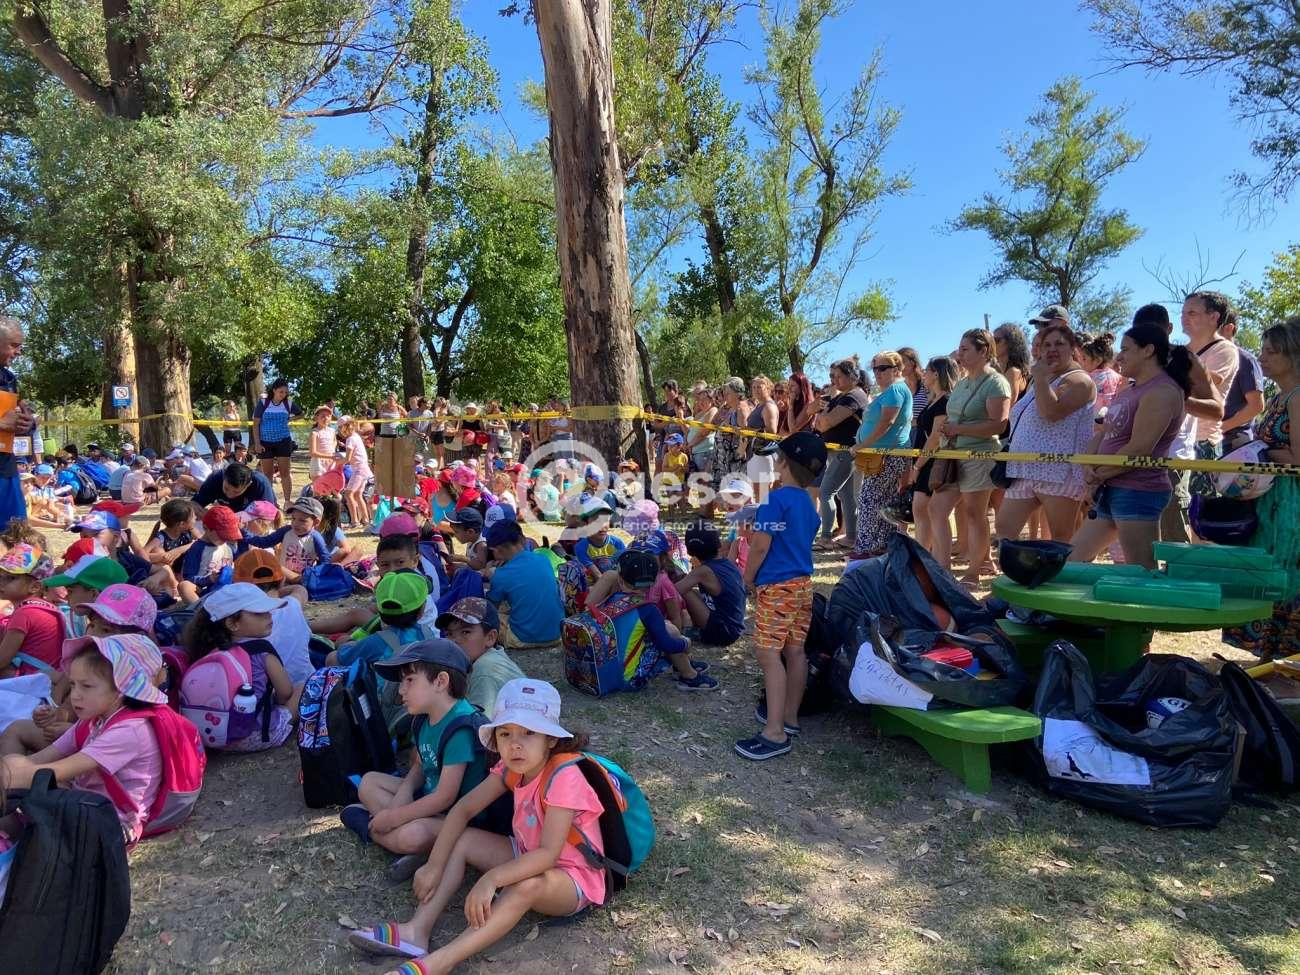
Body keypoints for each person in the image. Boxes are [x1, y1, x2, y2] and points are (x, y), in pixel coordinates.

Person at [348, 679, 610, 973]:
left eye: (529, 732)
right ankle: (416, 931)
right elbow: (463, 810)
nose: (515, 744)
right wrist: (434, 864)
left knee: (527, 885)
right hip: (527, 852)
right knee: (464, 840)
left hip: (571, 876)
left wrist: (492, 879)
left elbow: (549, 855)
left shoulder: (564, 776)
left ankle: (439, 962)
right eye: (505, 733)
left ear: (551, 739)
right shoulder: (512, 768)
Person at [1, 635, 169, 845]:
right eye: (73, 685)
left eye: (86, 686)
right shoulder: (94, 721)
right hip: (88, 802)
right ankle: (13, 836)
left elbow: (52, 772)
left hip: (113, 823)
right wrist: (10, 769)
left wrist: (10, 774)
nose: (75, 695)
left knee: (20, 787)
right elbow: (41, 758)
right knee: (14, 778)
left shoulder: (130, 731)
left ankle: (14, 840)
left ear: (121, 689)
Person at [342, 640, 489, 861]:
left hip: (459, 818)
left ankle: (370, 827)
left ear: (440, 681)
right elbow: (421, 765)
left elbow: (445, 797)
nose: (401, 690)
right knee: (369, 782)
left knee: (412, 836)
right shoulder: (423, 718)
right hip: (430, 800)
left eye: (409, 680)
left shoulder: (461, 728)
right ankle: (408, 842)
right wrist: (405, 791)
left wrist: (394, 817)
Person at [1068, 323, 1191, 569]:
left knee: (1141, 571)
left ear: (1148, 351)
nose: (1119, 357)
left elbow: (1140, 448)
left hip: (1138, 491)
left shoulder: (1162, 391)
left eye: (1125, 349)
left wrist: (1098, 475)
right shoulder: (1130, 389)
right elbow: (1104, 434)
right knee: (1071, 560)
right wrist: (1088, 469)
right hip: (1111, 489)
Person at [736, 431, 825, 762]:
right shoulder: (810, 506)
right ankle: (789, 717)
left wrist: (747, 577)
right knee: (795, 651)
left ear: (784, 463)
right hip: (803, 586)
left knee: (768, 654)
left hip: (777, 587)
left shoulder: (774, 501)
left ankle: (774, 733)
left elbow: (761, 545)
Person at [1223, 317, 1300, 656]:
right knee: (1265, 569)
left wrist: (1261, 449)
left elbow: (1297, 458)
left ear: (1293, 356)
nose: (1262, 357)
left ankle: (1286, 656)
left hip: (1290, 503)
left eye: (1272, 352)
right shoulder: (1279, 398)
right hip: (1270, 502)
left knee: (1285, 571)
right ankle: (1269, 653)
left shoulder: (1297, 398)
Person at [994, 324, 1097, 542]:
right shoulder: (1043, 380)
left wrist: (1040, 378)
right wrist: (1041, 379)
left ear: (1073, 348)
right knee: (1004, 529)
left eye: (1059, 344)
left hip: (1059, 471)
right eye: (1046, 345)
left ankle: (1066, 567)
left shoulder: (1080, 381)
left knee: (1060, 538)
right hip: (1024, 468)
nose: (1052, 349)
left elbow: (1051, 412)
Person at [927, 328, 1012, 586]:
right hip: (953, 455)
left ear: (983, 351)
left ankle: (974, 571)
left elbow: (999, 425)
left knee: (975, 513)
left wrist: (959, 429)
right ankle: (942, 569)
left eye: (965, 349)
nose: (960, 354)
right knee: (936, 508)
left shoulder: (996, 382)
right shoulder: (962, 383)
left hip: (980, 455)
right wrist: (949, 429)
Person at [181, 583, 297, 750]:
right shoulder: (261, 650)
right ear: (232, 623)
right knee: (302, 688)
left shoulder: (208, 651)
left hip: (216, 738)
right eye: (259, 613)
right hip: (259, 735)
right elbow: (285, 693)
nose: (269, 615)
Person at [850, 351, 913, 558]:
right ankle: (880, 546)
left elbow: (887, 422)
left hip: (888, 456)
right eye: (875, 368)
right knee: (881, 501)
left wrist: (862, 445)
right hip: (883, 455)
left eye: (883, 368)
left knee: (869, 500)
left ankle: (867, 548)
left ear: (896, 369)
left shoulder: (896, 389)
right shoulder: (890, 391)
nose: (877, 372)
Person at [230, 549, 313, 684]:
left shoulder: (241, 621)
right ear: (282, 580)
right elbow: (300, 589)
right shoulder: (292, 604)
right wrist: (278, 593)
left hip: (272, 691)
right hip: (308, 682)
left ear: (236, 586)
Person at [1181, 291, 1236, 492]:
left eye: (1192, 313)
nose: (1184, 318)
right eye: (1183, 313)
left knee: (1198, 505)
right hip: (1178, 440)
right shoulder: (1181, 351)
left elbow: (1208, 382)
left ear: (1214, 317)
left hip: (1203, 442)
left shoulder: (1225, 349)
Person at [814, 359, 869, 550]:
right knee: (846, 495)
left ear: (852, 377)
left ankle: (826, 538)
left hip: (846, 452)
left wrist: (823, 413)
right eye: (832, 376)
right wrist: (823, 414)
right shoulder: (842, 396)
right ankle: (851, 537)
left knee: (826, 492)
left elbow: (825, 423)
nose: (834, 380)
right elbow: (819, 424)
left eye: (839, 376)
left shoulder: (854, 396)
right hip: (840, 451)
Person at [437, 598, 525, 717]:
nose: (455, 640)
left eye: (465, 632)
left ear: (490, 637)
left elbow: (479, 724)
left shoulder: (485, 670)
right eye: (449, 634)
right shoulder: (481, 659)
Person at [904, 356, 957, 554]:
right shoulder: (933, 400)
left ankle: (930, 556)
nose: (923, 374)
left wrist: (918, 466)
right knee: (920, 509)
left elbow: (935, 437)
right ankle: (923, 554)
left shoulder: (945, 401)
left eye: (927, 370)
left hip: (932, 461)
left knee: (926, 509)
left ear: (936, 374)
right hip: (924, 459)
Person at [327, 571, 434, 669]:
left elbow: (340, 659)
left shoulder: (376, 642)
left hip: (385, 684)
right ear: (421, 611)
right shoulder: (427, 634)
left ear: (379, 610)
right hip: (419, 682)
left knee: (334, 654)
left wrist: (347, 643)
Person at [483, 520, 564, 649]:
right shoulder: (543, 559)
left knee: (486, 619)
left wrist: (489, 574)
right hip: (557, 634)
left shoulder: (501, 575)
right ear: (523, 539)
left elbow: (491, 608)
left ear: (496, 550)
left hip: (523, 638)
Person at [676, 520, 746, 648]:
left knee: (686, 592)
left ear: (690, 551)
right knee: (692, 590)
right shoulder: (725, 563)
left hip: (723, 633)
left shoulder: (703, 571)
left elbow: (674, 591)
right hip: (734, 628)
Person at [0, 543, 60, 677]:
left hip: (31, 680)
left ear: (35, 587)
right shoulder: (44, 607)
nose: (1, 582)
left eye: (11, 578)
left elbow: (2, 660)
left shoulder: (24, 614)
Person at [246, 495, 330, 585]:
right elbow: (265, 542)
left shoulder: (316, 538)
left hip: (302, 579)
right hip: (282, 577)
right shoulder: (286, 531)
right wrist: (245, 534)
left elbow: (325, 559)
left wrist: (317, 577)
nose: (295, 523)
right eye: (293, 518)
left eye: (302, 520)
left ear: (316, 522)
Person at [0, 316, 35, 527]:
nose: (19, 352)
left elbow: (16, 418)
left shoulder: (9, 378)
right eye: (14, 345)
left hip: (6, 468)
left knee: (17, 532)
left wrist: (27, 423)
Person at [1218, 310, 1265, 452]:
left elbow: (1256, 406)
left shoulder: (1245, 361)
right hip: (1206, 444)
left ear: (1228, 329)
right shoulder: (1207, 361)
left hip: (1235, 444)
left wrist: (1220, 428)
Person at [251, 378, 302, 505]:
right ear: (274, 390)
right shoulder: (263, 403)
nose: (283, 395)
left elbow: (301, 414)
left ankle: (287, 501)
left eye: (285, 392)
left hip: (283, 441)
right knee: (267, 474)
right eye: (281, 392)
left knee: (285, 473)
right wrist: (257, 443)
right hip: (265, 442)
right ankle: (269, 501)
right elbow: (255, 424)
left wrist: (290, 419)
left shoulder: (288, 404)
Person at [193, 461, 277, 515]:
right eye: (226, 489)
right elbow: (194, 503)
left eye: (236, 492)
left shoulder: (260, 483)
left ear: (248, 485)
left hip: (251, 519)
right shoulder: (216, 478)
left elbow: (270, 514)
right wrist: (200, 512)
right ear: (223, 478)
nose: (230, 495)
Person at [713, 377, 751, 493]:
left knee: (736, 490)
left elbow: (744, 434)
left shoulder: (741, 409)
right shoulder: (733, 409)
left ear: (737, 394)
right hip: (726, 456)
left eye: (728, 393)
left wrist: (739, 455)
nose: (725, 396)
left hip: (736, 457)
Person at [339, 416, 373, 529]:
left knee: (348, 494)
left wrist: (337, 462)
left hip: (359, 470)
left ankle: (355, 521)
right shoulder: (356, 436)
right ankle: (366, 520)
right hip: (364, 469)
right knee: (358, 495)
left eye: (340, 427)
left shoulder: (350, 439)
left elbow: (347, 459)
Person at [1079, 332, 1122, 414]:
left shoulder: (1109, 377)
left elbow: (1109, 403)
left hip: (1098, 418)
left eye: (1084, 359)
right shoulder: (1086, 374)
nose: (1080, 361)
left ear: (1097, 361)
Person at [993, 324, 1032, 405]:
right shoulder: (997, 369)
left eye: (996, 340)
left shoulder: (1013, 372)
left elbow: (1007, 406)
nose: (992, 345)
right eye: (991, 341)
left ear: (1010, 343)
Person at [897, 348, 928, 422]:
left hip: (922, 428)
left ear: (913, 362)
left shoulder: (926, 385)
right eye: (897, 363)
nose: (899, 366)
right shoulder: (899, 389)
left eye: (903, 361)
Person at [308, 405, 338, 480]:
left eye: (328, 416)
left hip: (330, 463)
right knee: (318, 486)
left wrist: (332, 452)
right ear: (316, 418)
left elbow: (334, 441)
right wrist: (329, 456)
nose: (326, 418)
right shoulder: (314, 433)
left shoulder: (332, 431)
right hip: (318, 465)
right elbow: (312, 453)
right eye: (323, 416)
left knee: (330, 485)